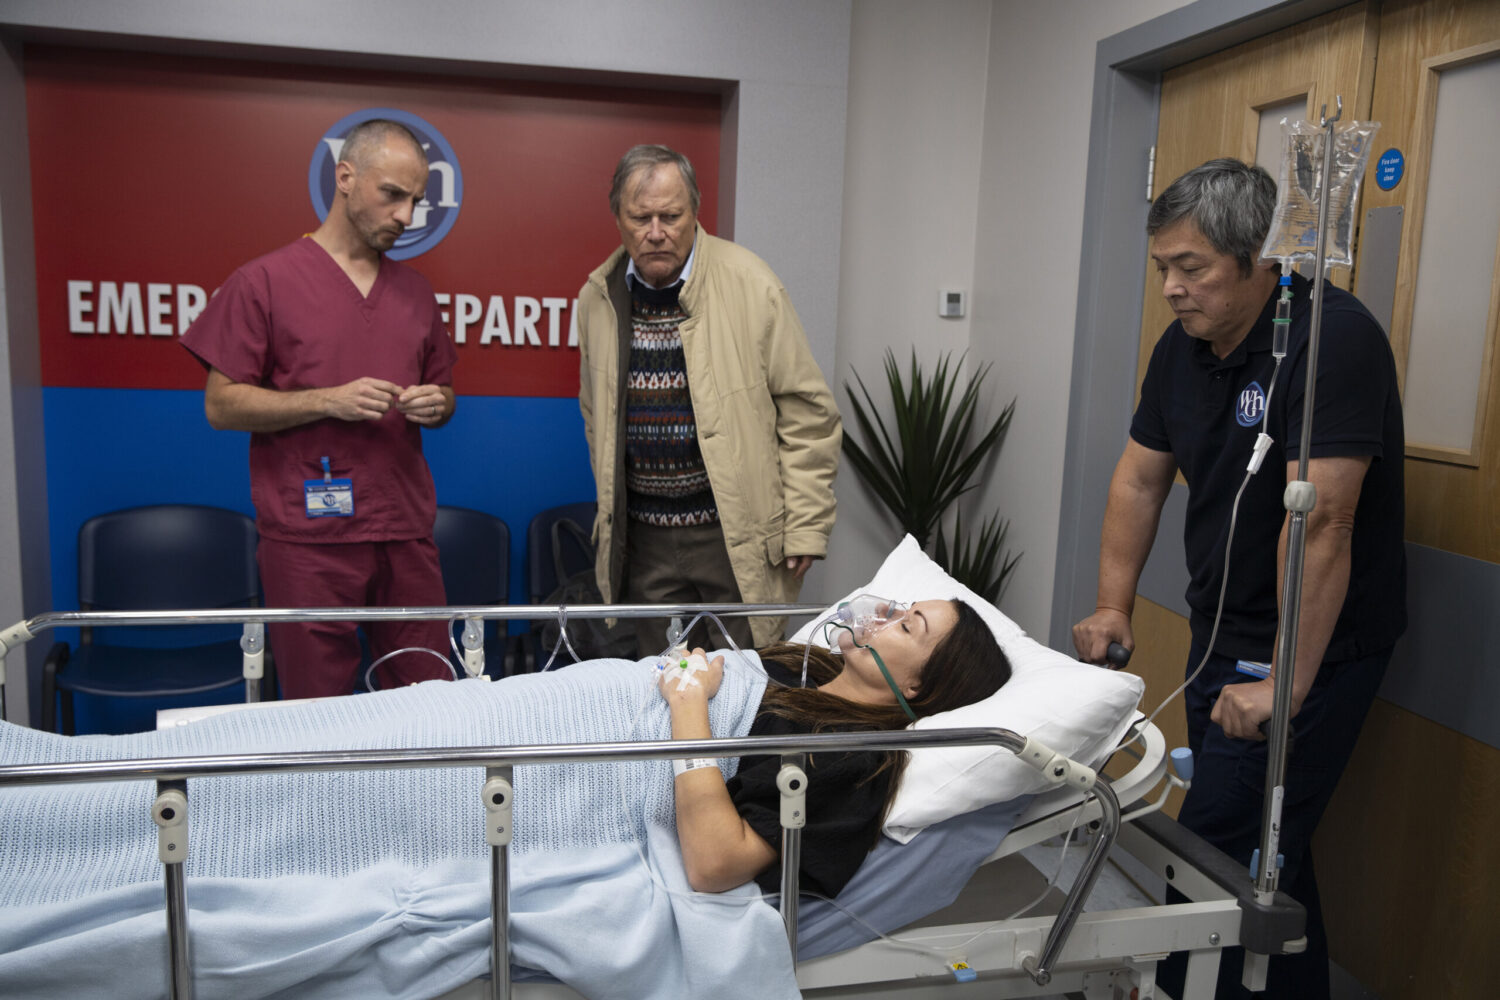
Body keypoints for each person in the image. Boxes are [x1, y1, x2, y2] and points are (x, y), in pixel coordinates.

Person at [1071, 159, 1405, 998]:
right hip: (1226, 628)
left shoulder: (1332, 339)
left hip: (1316, 645)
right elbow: (1141, 478)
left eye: (1193, 269)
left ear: (1260, 259)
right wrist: (1113, 603)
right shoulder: (1182, 350)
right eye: (1163, 270)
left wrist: (1287, 682)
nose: (1173, 290)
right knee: (1269, 858)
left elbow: (1324, 520)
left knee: (1212, 858)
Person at [181, 119, 458, 700]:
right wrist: (326, 400)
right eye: (392, 195)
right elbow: (221, 404)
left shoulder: (416, 295)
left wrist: (440, 403)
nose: (406, 216)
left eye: (416, 201)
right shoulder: (264, 283)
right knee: (316, 712)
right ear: (346, 178)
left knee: (431, 703)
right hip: (310, 539)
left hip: (404, 531)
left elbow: (443, 388)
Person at [577, 144, 842, 656]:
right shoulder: (598, 297)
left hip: (733, 534)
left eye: (671, 216)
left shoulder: (751, 282)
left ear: (695, 212)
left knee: (747, 681)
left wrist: (806, 526)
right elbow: (595, 415)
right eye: (641, 217)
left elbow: (808, 413)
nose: (657, 232)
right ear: (618, 218)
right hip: (646, 542)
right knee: (666, 688)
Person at [662, 598, 1011, 896]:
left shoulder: (846, 757)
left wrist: (688, 702)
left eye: (907, 626)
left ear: (915, 686)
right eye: (904, 609)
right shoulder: (802, 666)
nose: (883, 611)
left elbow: (715, 863)